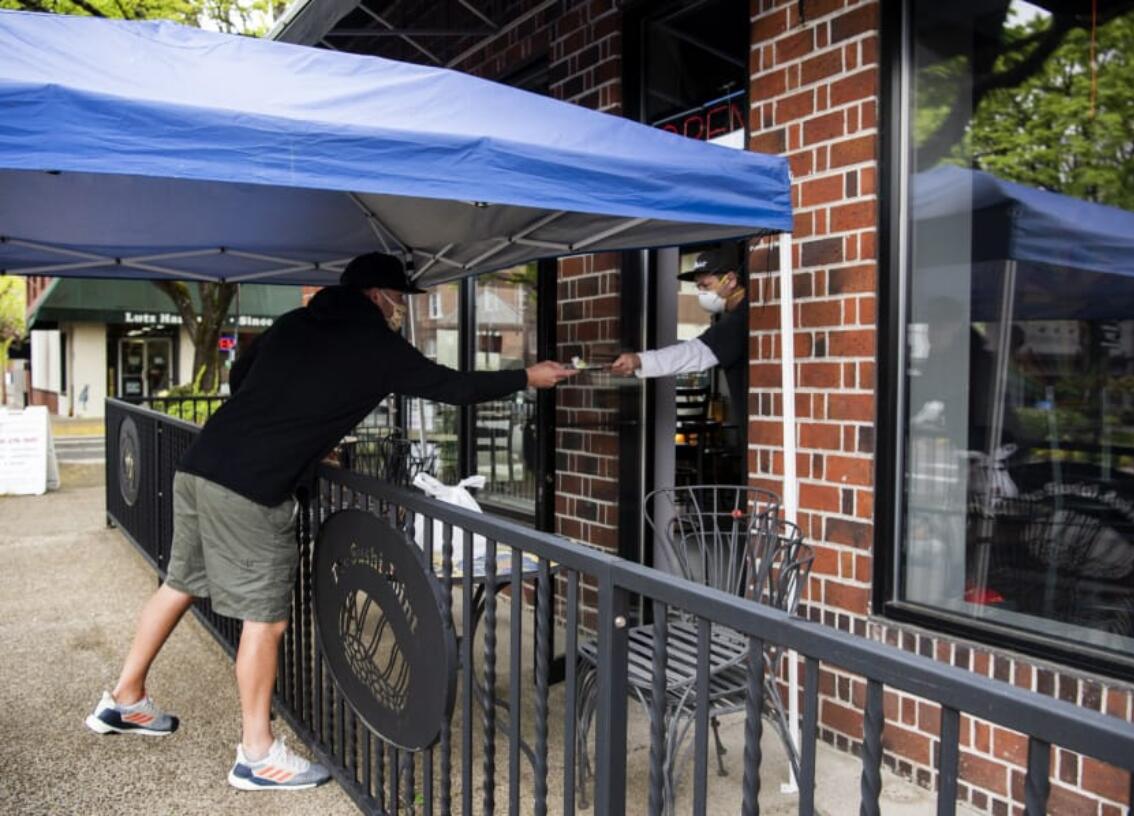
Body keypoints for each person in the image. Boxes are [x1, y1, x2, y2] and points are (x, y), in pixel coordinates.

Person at [84, 252, 576, 791]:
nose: (398, 311)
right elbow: (454, 387)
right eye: (396, 301)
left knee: (179, 583)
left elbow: (240, 373)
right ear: (375, 295)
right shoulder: (377, 346)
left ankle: (126, 697)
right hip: (251, 488)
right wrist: (528, 375)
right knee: (265, 620)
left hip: (202, 464)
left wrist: (291, 432)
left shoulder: (296, 322)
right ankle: (257, 753)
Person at [610, 242, 749, 446]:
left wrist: (639, 360)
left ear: (730, 280)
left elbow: (694, 354)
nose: (701, 293)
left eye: (706, 285)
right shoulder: (738, 316)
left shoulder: (740, 320)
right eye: (698, 286)